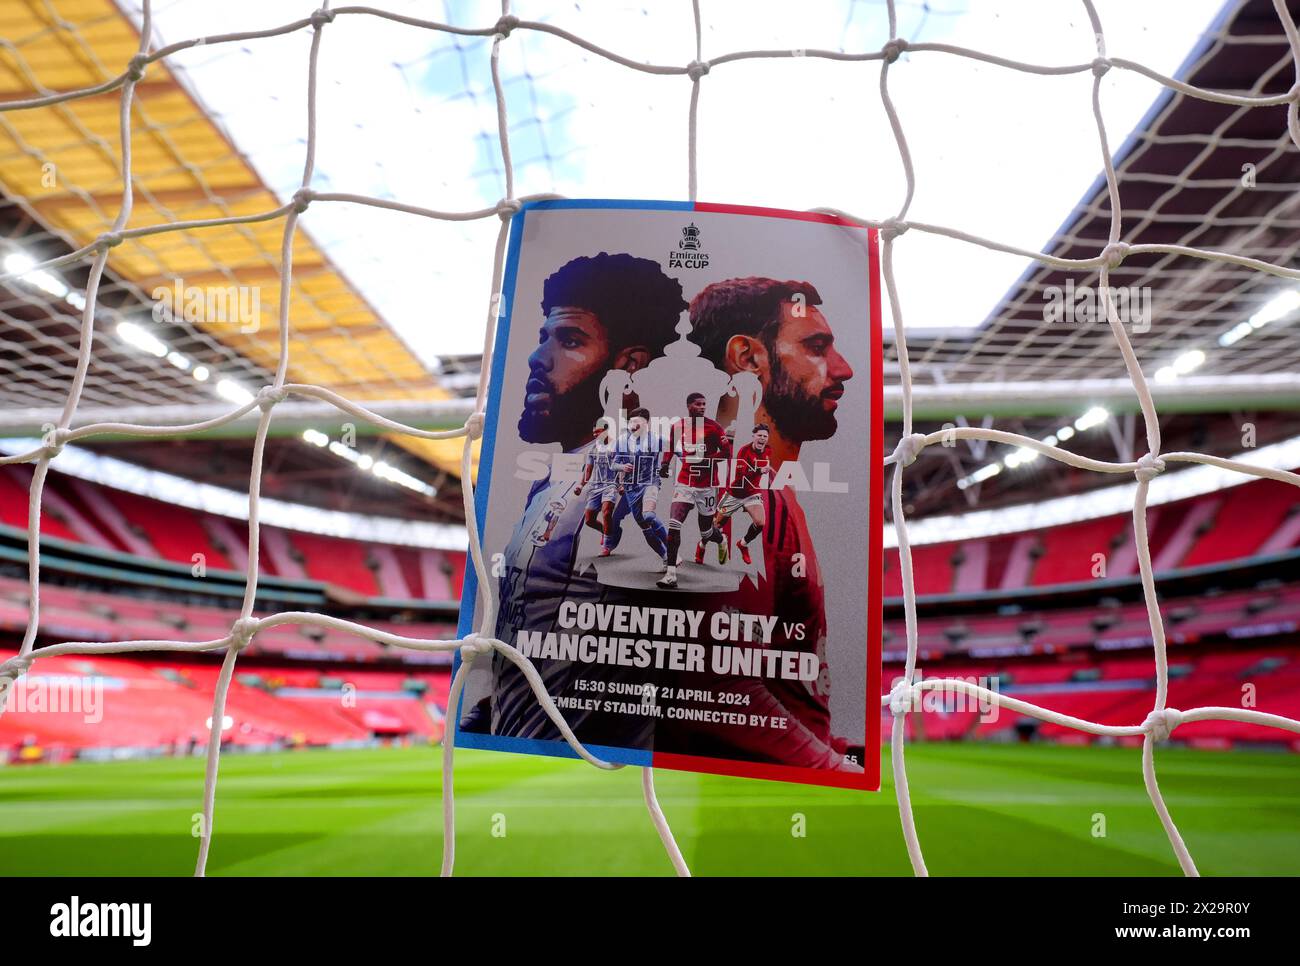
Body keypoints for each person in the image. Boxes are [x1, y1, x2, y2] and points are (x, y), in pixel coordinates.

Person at [472, 252, 686, 744]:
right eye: (543, 337)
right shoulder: (547, 479)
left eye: (570, 340)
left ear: (626, 367)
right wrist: (489, 710)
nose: (536, 357)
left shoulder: (641, 472)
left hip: (592, 765)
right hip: (518, 747)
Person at [668, 276, 860, 771]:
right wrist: (832, 770)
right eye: (817, 347)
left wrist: (834, 746)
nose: (844, 369)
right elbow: (715, 682)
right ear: (749, 358)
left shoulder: (776, 483)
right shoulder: (735, 485)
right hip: (760, 796)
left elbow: (777, 685)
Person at [656, 392, 732, 588]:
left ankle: (720, 538)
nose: (702, 407)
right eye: (698, 404)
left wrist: (706, 460)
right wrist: (665, 464)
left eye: (704, 404)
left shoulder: (714, 427)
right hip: (684, 483)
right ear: (689, 406)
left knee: (706, 533)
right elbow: (671, 447)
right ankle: (671, 574)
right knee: (674, 524)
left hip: (706, 486)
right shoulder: (678, 426)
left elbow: (726, 453)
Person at [715, 423, 772, 565]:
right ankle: (702, 545)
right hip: (735, 494)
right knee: (715, 526)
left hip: (752, 493)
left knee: (760, 523)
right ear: (753, 436)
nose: (762, 438)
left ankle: (743, 544)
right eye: (759, 435)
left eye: (765, 436)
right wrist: (759, 470)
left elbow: (766, 466)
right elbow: (741, 476)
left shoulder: (769, 451)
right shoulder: (744, 451)